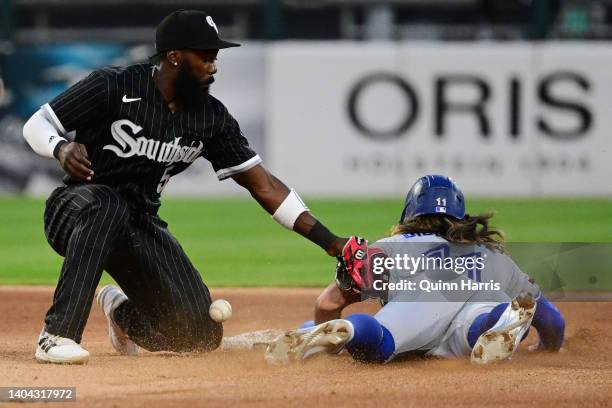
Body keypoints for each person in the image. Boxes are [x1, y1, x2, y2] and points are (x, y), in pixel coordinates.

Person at [22, 9, 358, 364]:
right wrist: (60, 147)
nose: (213, 66)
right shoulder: (114, 85)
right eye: (206, 57)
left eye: (215, 58)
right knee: (107, 204)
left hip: (138, 224)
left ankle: (120, 311)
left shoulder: (210, 117)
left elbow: (265, 186)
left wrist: (332, 242)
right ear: (174, 56)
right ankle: (55, 335)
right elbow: (37, 123)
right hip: (75, 209)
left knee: (198, 334)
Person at [265, 175, 565, 365]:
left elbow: (328, 303)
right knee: (475, 326)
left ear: (410, 212)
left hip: (424, 302)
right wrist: (548, 348)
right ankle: (499, 318)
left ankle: (354, 331)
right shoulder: (491, 253)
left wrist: (332, 343)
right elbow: (552, 320)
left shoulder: (388, 248)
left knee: (379, 343)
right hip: (485, 294)